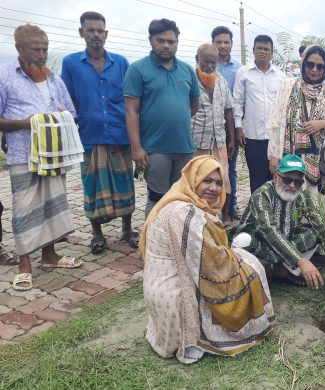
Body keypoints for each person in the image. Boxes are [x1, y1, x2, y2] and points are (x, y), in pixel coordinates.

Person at [140, 155, 274, 364]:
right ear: (193, 179)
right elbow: (211, 264)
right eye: (206, 180)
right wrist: (241, 263)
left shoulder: (180, 200)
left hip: (159, 288)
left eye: (219, 183)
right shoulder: (184, 213)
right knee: (252, 268)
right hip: (173, 295)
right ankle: (213, 334)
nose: (213, 188)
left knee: (244, 261)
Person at [0, 24, 83, 291]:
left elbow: (71, 112)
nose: (41, 54)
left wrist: (62, 116)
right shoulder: (4, 76)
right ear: (19, 48)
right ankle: (25, 265)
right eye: (35, 49)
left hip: (53, 154)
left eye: (45, 49)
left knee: (51, 205)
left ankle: (50, 256)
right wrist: (25, 123)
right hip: (23, 154)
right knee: (25, 209)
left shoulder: (53, 79)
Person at [61, 11, 138, 254]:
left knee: (125, 183)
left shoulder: (121, 62)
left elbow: (130, 101)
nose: (95, 35)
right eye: (90, 30)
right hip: (90, 137)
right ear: (81, 32)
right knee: (92, 186)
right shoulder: (71, 63)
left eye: (99, 30)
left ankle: (127, 229)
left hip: (120, 137)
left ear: (106, 34)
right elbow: (68, 102)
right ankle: (97, 234)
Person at [235, 154, 325, 290]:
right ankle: (266, 272)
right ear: (275, 177)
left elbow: (321, 226)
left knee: (315, 231)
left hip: (285, 247)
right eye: (287, 179)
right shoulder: (262, 195)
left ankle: (281, 271)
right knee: (243, 239)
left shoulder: (302, 195)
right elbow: (270, 231)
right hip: (260, 247)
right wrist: (300, 261)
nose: (292, 185)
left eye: (298, 182)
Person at [124, 18, 200, 217]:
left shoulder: (187, 70)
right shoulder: (137, 69)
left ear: (177, 43)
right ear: (151, 40)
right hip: (155, 149)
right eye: (161, 40)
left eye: (171, 41)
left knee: (181, 198)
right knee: (157, 197)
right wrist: (136, 148)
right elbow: (131, 110)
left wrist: (174, 118)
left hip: (184, 148)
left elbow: (193, 105)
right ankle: (150, 243)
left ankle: (174, 240)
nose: (166, 45)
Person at [267, 45, 325, 228]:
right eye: (310, 64)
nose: (314, 70)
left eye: (320, 66)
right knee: (290, 195)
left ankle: (321, 245)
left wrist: (324, 124)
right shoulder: (288, 86)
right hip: (290, 157)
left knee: (320, 201)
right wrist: (273, 154)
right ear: (303, 65)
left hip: (322, 164)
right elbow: (275, 121)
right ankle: (291, 243)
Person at [232, 35, 286, 194]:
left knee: (276, 177)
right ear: (253, 50)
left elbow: (284, 106)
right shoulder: (243, 73)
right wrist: (238, 127)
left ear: (272, 52)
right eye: (259, 48)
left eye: (266, 49)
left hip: (275, 137)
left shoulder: (281, 77)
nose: (263, 52)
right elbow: (237, 102)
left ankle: (275, 213)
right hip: (253, 136)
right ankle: (257, 213)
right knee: (256, 178)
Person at [191, 43, 235, 222]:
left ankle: (224, 219)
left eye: (213, 63)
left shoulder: (222, 81)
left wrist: (231, 139)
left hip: (219, 142)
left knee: (223, 181)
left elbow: (228, 110)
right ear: (197, 60)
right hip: (196, 142)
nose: (209, 66)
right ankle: (196, 219)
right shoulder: (189, 80)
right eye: (205, 62)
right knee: (198, 182)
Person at [212, 26, 242, 220]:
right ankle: (210, 208)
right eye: (219, 42)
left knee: (230, 169)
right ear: (213, 43)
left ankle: (230, 208)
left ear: (231, 44)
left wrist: (235, 132)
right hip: (206, 127)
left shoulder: (239, 69)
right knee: (208, 169)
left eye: (226, 42)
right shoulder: (206, 65)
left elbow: (236, 103)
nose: (223, 46)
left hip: (229, 127)